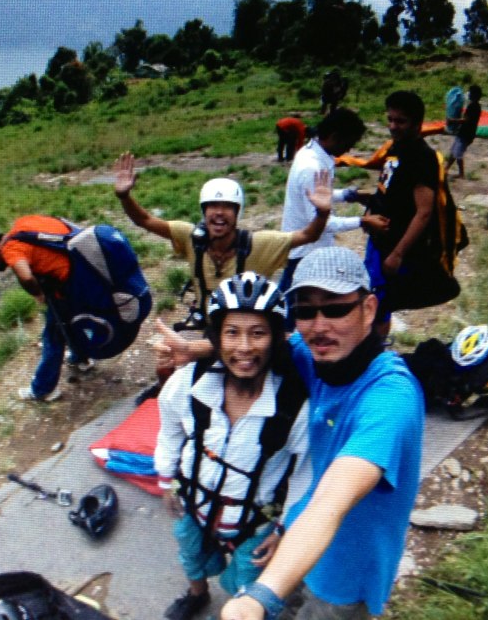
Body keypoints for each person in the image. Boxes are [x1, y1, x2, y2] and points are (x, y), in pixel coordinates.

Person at [220, 246, 425, 620]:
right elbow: (264, 346)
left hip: (345, 574)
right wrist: (192, 349)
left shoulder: (390, 400)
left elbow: (333, 498)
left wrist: (258, 597)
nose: (318, 326)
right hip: (298, 539)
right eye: (304, 311)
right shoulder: (318, 356)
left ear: (368, 309)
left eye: (335, 309)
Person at [156, 272, 311, 620]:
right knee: (190, 552)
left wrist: (285, 527)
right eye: (232, 333)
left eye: (258, 333)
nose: (244, 347)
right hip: (193, 500)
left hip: (254, 520)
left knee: (248, 579)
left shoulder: (291, 407)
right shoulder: (191, 383)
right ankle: (197, 594)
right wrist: (166, 479)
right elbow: (169, 428)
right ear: (216, 338)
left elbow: (306, 472)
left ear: (276, 339)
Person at [113, 152, 332, 327]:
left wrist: (322, 213)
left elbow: (308, 235)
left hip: (247, 331)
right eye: (212, 206)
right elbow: (144, 220)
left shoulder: (260, 244)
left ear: (238, 213)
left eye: (227, 207)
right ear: (203, 211)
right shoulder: (190, 238)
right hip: (210, 327)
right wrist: (124, 196)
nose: (219, 212)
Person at [0, 215, 92, 402]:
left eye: (2, 263)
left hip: (65, 286)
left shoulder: (10, 249)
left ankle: (42, 390)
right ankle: (81, 358)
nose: (7, 264)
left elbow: (25, 276)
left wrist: (38, 293)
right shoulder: (23, 224)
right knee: (69, 323)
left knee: (53, 336)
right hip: (82, 272)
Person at [279, 108, 389, 298]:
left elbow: (317, 194)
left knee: (290, 298)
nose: (348, 150)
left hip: (306, 247)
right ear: (335, 137)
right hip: (306, 251)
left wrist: (349, 195)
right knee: (295, 303)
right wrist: (363, 221)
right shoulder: (312, 167)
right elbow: (322, 223)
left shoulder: (311, 153)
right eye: (348, 144)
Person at [361, 91, 439, 338]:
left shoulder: (422, 157)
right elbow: (388, 187)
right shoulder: (396, 147)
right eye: (390, 119)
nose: (393, 126)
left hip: (393, 247)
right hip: (377, 241)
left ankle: (376, 349)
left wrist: (397, 254)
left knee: (380, 304)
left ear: (417, 123)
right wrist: (370, 205)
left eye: (400, 121)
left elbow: (424, 213)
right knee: (368, 297)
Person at [445, 84, 482, 179]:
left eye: (470, 92)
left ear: (474, 95)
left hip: (466, 134)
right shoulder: (475, 106)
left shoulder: (473, 107)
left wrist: (452, 120)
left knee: (458, 154)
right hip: (465, 133)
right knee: (454, 151)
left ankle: (461, 174)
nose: (468, 94)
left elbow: (466, 120)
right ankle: (446, 168)